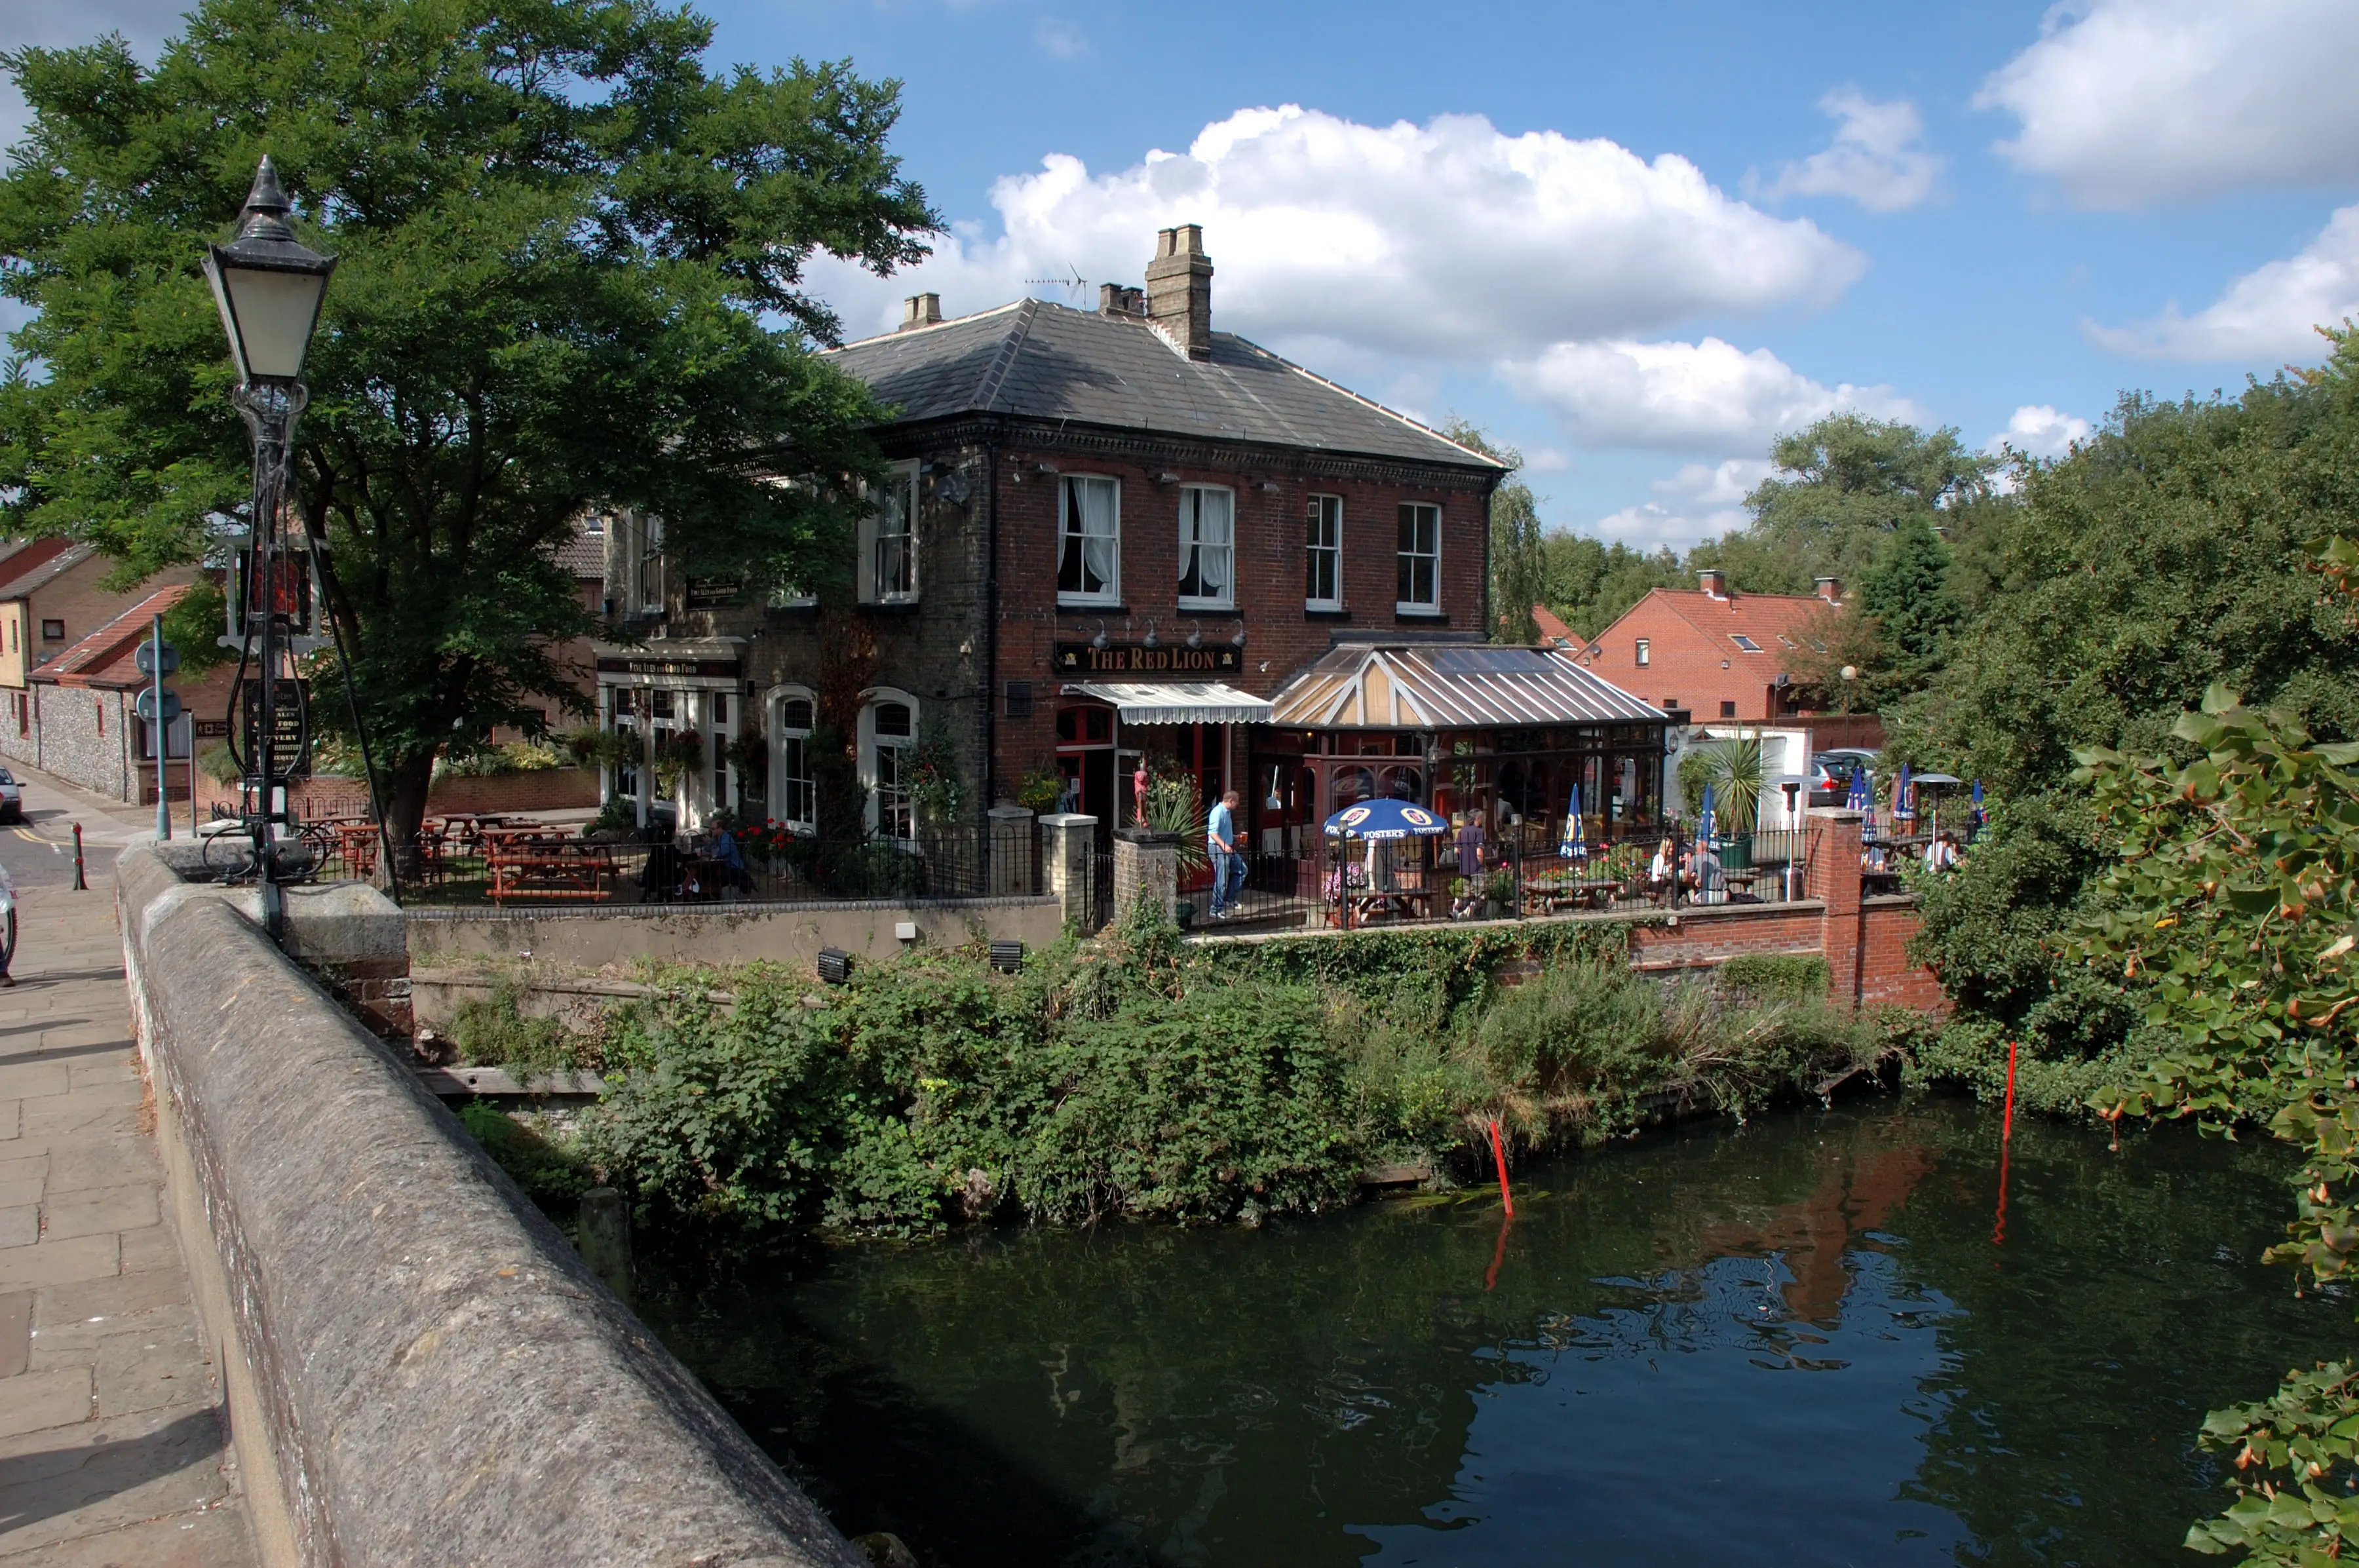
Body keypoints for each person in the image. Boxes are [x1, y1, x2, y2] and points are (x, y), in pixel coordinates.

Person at [1206, 788, 1244, 919]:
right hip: (1217, 848)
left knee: (1242, 870)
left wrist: (1235, 837)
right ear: (1230, 801)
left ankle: (1229, 899)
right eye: (1237, 802)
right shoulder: (1218, 813)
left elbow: (1223, 833)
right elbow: (1212, 833)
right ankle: (1215, 909)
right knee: (1221, 880)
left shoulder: (1227, 813)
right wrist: (1224, 846)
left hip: (1227, 847)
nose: (1238, 805)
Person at [1683, 839, 1726, 906]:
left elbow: (1685, 878)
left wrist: (1687, 862)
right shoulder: (1715, 858)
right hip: (1722, 895)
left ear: (1697, 851)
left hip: (1709, 896)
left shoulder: (1696, 858)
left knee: (1692, 894)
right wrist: (1699, 879)